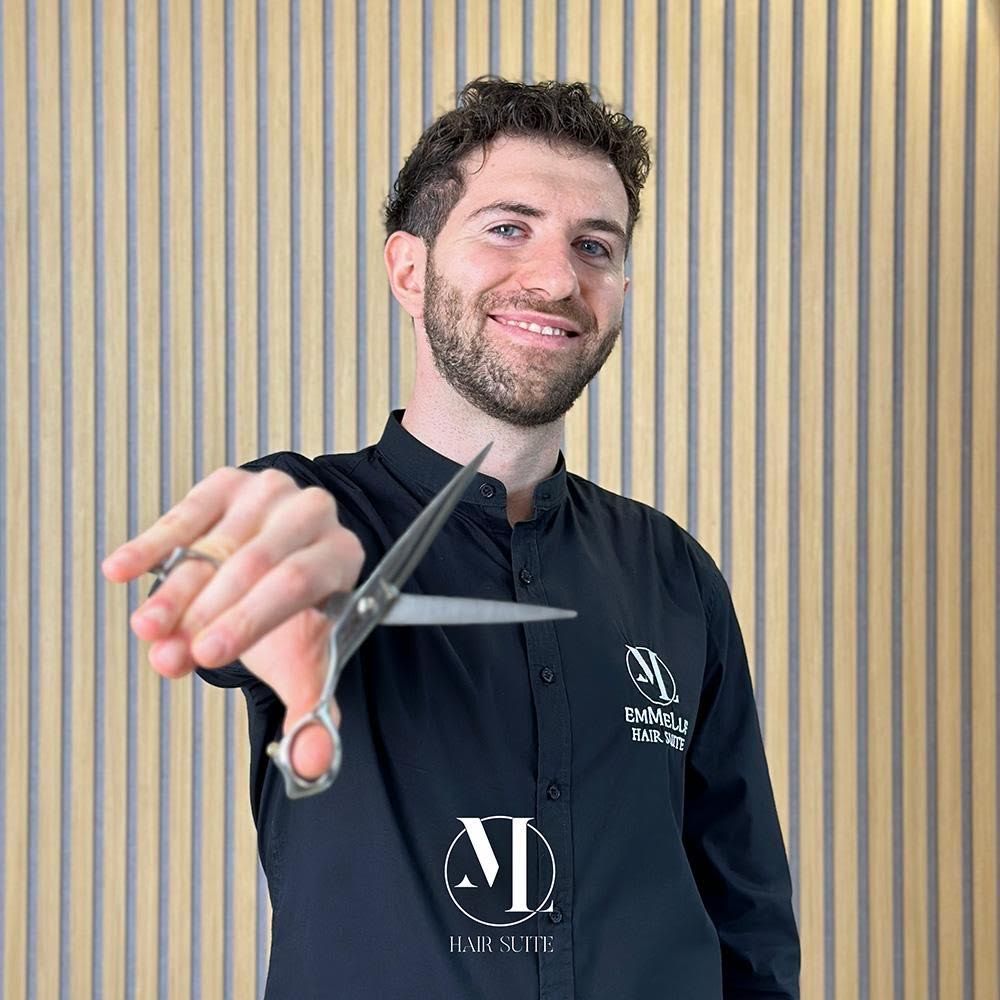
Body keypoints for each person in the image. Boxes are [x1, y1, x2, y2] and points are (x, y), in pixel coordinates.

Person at [103, 77, 800, 999]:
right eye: (508, 228)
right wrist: (241, 577)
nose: (557, 279)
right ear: (410, 270)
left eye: (594, 246)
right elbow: (236, 567)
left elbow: (746, 917)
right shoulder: (315, 508)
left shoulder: (675, 573)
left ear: (620, 292)